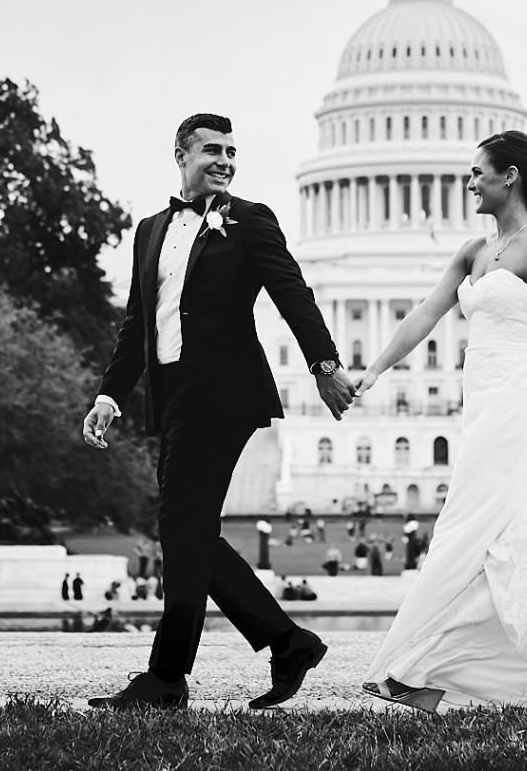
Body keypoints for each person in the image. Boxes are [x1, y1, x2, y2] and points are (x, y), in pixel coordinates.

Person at [82, 112, 355, 711]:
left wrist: (324, 365)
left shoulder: (250, 220)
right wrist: (109, 395)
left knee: (181, 525)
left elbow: (292, 292)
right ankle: (287, 643)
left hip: (224, 393)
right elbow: (138, 324)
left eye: (231, 151)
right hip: (173, 395)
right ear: (181, 154)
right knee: (189, 532)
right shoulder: (150, 231)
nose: (225, 161)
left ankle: (167, 677)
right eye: (212, 150)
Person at [357, 131, 527, 712]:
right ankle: (438, 668)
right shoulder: (473, 251)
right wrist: (375, 370)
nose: (468, 183)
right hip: (481, 401)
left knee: (497, 528)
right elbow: (426, 313)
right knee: (467, 530)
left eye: (477, 172)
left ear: (508, 176)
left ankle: (428, 669)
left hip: (518, 402)